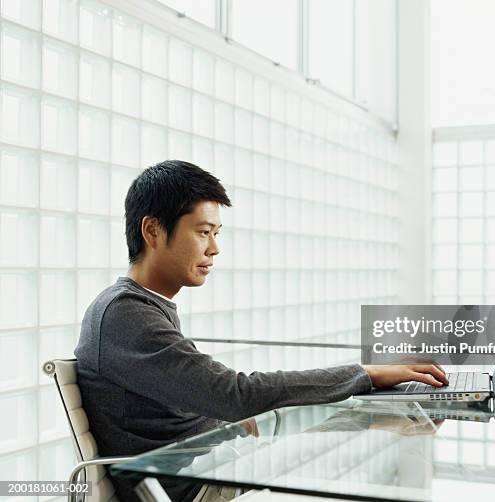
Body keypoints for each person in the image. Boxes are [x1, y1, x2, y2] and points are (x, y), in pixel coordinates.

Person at [74, 160, 448, 501]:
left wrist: (366, 403)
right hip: (197, 486)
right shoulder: (125, 314)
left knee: (355, 444)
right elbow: (236, 395)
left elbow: (213, 406)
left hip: (214, 465)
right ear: (153, 230)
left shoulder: (144, 306)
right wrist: (364, 374)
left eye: (216, 233)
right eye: (204, 232)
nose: (215, 249)